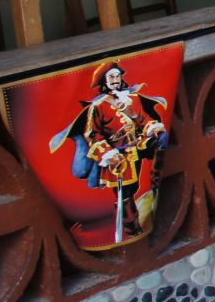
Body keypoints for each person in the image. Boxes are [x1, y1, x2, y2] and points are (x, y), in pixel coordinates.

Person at [53, 61, 169, 248]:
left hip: (137, 145)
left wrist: (152, 127)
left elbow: (143, 119)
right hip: (118, 155)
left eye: (118, 77)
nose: (116, 81)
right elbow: (93, 135)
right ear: (104, 82)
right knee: (127, 192)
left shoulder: (132, 98)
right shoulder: (98, 106)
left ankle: (155, 183)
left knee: (163, 139)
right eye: (111, 78)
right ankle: (132, 230)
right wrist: (108, 153)